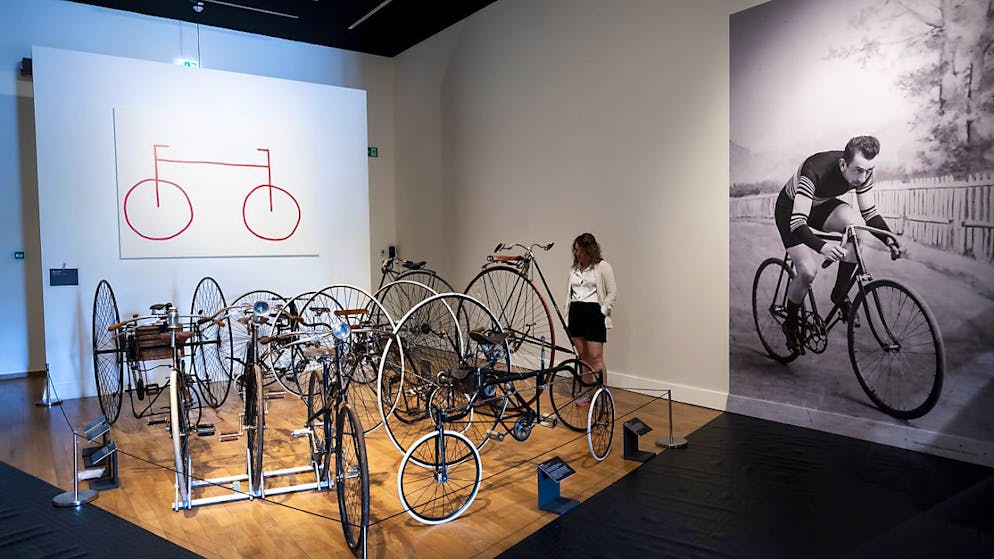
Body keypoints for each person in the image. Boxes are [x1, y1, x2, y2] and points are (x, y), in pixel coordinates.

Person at [775, 135, 901, 350]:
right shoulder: (814, 170)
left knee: (857, 230)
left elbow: (869, 214)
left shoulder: (863, 171)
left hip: (820, 205)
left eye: (868, 171)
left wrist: (889, 238)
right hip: (791, 212)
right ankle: (791, 323)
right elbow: (797, 223)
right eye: (858, 171)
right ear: (843, 164)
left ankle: (839, 294)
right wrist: (823, 247)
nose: (863, 178)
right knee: (807, 271)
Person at [566, 233, 617, 406]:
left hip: (594, 312)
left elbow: (612, 292)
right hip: (576, 312)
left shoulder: (602, 267)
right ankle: (587, 392)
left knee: (596, 356)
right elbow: (570, 294)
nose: (577, 253)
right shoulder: (574, 269)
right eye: (576, 250)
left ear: (590, 250)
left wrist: (602, 310)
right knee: (583, 357)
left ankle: (603, 396)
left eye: (581, 250)